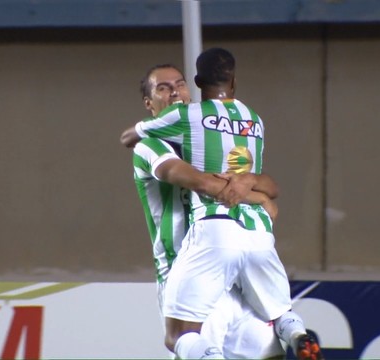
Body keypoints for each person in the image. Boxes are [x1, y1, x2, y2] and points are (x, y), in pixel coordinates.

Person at [121, 49, 323, 360]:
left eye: (180, 84)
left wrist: (254, 185)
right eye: (163, 87)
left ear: (193, 87)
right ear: (149, 103)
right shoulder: (151, 145)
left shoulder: (200, 135)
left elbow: (265, 183)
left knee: (240, 350)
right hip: (185, 266)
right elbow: (202, 182)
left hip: (228, 271)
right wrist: (257, 194)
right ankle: (296, 333)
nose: (174, 91)